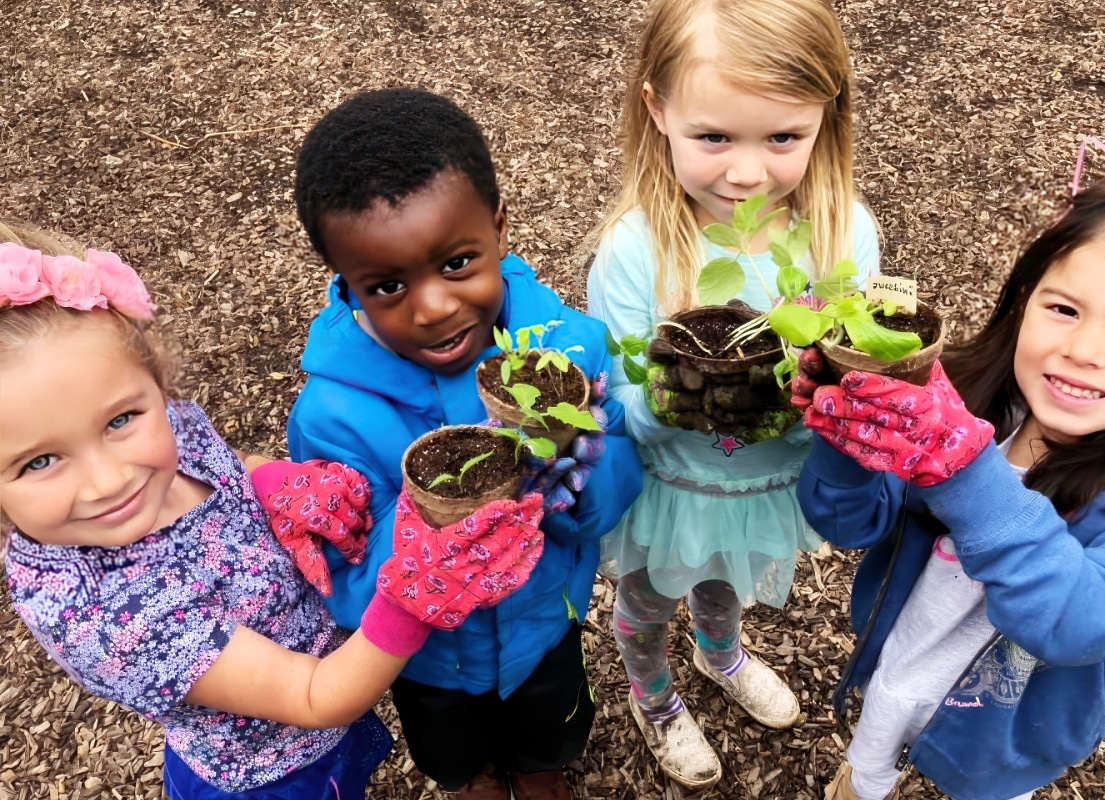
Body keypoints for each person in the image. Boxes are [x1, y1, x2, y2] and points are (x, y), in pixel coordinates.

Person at [0, 221, 544, 799]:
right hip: (272, 771)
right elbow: (315, 696)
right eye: (39, 462)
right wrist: (415, 593)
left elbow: (225, 460)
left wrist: (273, 480)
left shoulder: (167, 428)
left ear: (155, 383)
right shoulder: (105, 616)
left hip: (330, 703)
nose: (109, 480)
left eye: (120, 421)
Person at [796, 137, 1105, 800]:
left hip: (1003, 741)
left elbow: (1075, 618)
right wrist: (845, 438)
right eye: (1063, 309)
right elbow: (848, 523)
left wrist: (961, 466)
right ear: (1021, 305)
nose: (1083, 349)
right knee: (871, 760)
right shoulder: (963, 398)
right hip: (896, 665)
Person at [287, 88, 642, 800]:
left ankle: (542, 772)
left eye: (456, 263)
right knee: (452, 754)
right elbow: (344, 565)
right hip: (428, 661)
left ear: (500, 229)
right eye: (387, 285)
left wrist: (566, 471)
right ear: (348, 289)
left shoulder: (570, 349)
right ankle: (473, 780)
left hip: (546, 623)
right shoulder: (332, 413)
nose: (434, 306)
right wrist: (428, 532)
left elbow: (622, 468)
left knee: (552, 730)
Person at [584, 0, 881, 788]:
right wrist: (683, 401)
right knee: (647, 604)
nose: (746, 171)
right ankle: (654, 697)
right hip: (670, 486)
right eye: (713, 136)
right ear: (657, 109)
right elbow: (614, 394)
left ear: (829, 114)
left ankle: (721, 655)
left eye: (783, 136)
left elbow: (860, 364)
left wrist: (823, 400)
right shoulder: (636, 248)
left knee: (723, 581)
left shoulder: (843, 235)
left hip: (764, 481)